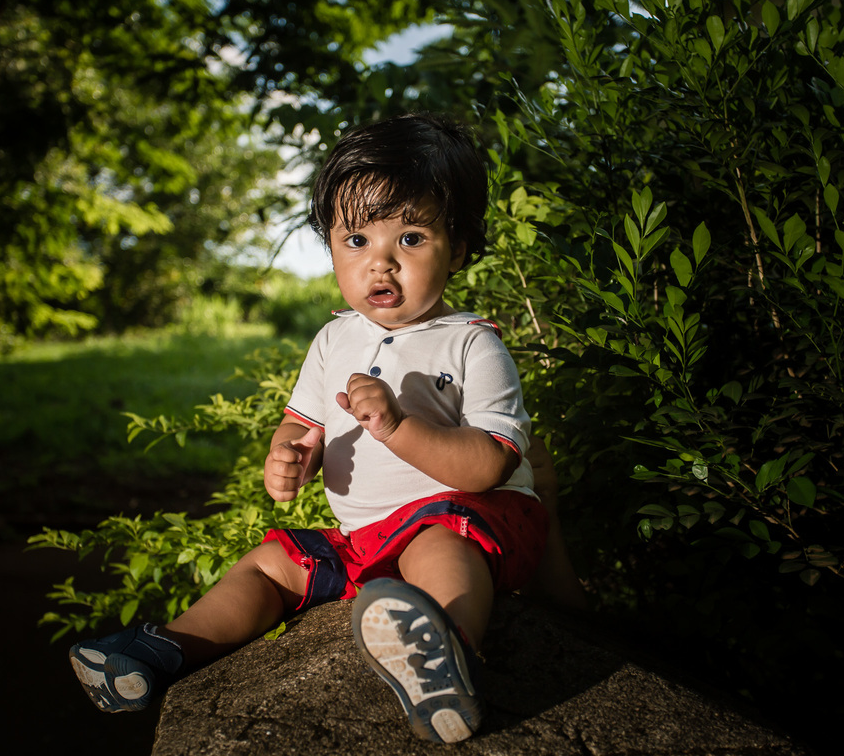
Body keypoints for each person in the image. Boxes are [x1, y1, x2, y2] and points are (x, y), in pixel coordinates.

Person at [69, 113, 551, 744]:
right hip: (365, 540)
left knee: (440, 544)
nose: (380, 265)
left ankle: (443, 657)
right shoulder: (332, 340)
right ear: (329, 245)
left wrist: (398, 427)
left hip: (466, 521)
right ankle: (167, 650)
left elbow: (490, 465)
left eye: (409, 238)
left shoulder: (471, 345)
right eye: (357, 241)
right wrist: (287, 458)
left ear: (456, 248)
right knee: (271, 563)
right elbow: (300, 425)